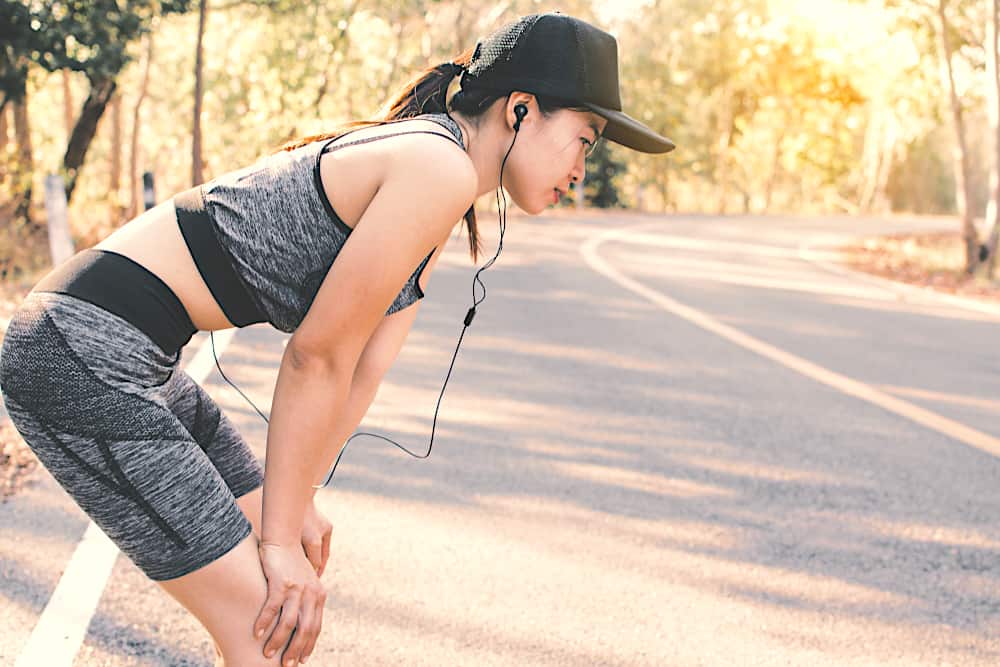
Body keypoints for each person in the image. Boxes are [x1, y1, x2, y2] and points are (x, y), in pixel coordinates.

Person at [0, 11, 674, 667]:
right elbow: (317, 356)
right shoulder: (435, 165)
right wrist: (277, 543)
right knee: (267, 625)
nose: (583, 168)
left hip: (131, 352)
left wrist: (296, 509)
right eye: (585, 139)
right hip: (79, 349)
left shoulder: (441, 179)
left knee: (274, 615)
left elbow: (361, 370)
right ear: (520, 109)